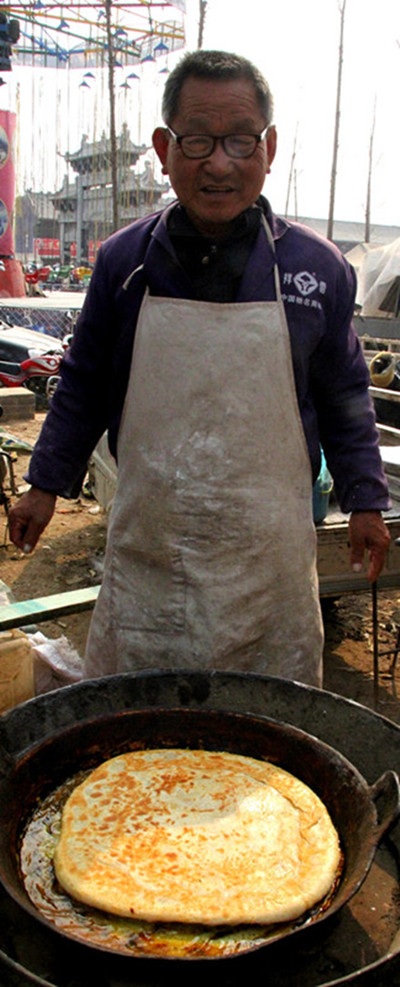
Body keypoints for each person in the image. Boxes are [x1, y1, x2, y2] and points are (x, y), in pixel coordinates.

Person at [8, 50, 391, 688]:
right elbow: (84, 383)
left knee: (266, 719)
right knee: (141, 714)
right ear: (165, 149)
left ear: (269, 148)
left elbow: (345, 395)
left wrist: (367, 501)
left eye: (240, 140)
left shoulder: (316, 269)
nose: (219, 163)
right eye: (197, 141)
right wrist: (45, 485)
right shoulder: (125, 262)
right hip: (152, 552)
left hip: (268, 562)